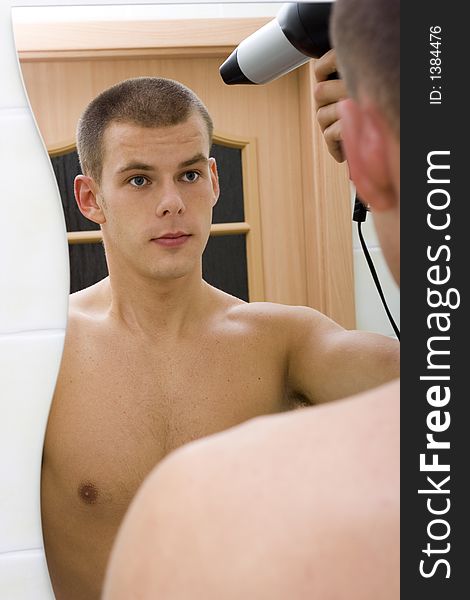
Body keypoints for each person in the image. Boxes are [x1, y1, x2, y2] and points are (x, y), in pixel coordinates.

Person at [41, 61, 398, 600]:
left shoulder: (283, 341)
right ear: (90, 199)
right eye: (139, 179)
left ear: (212, 180)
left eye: (188, 174)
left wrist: (411, 158)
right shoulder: (41, 354)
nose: (171, 203)